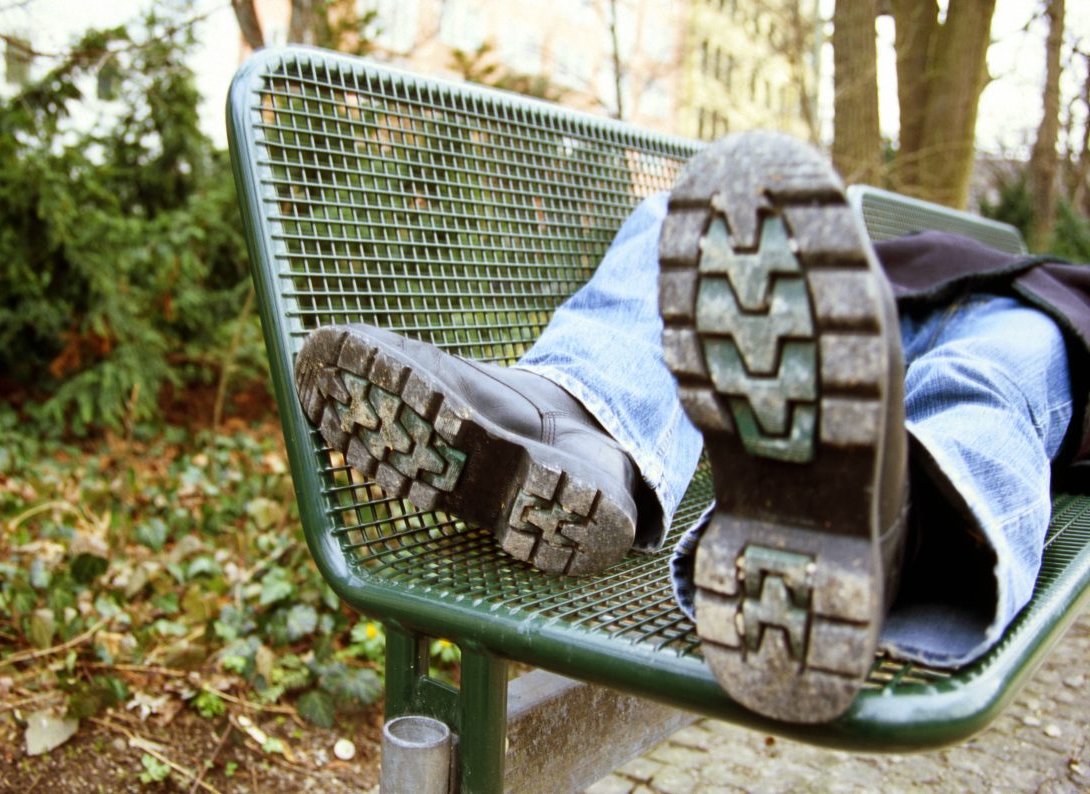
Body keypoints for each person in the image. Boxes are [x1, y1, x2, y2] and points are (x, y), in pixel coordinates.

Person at [292, 132, 1089, 724]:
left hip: (1024, 316)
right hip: (857, 298)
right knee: (688, 217)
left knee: (980, 383)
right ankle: (580, 419)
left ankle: (884, 525)